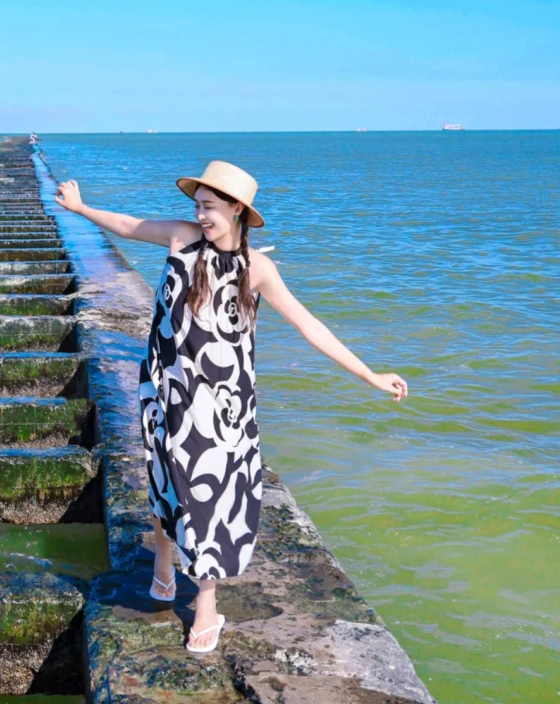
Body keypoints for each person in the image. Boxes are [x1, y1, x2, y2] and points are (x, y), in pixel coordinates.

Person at [55, 160, 407, 654]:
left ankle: (205, 600)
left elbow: (310, 326)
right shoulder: (180, 239)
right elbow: (131, 227)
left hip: (222, 405)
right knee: (161, 479)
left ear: (238, 209)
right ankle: (161, 556)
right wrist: (82, 207)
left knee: (209, 500)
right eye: (197, 205)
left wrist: (370, 374)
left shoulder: (257, 269)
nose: (200, 215)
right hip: (166, 387)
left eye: (211, 208)